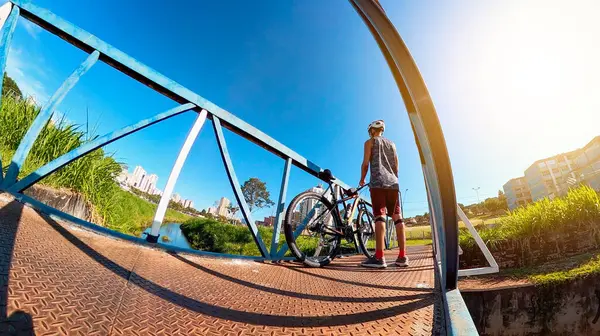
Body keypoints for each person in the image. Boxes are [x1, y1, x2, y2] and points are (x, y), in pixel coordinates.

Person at [359, 120, 408, 268]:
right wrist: (393, 179)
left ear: (372, 130)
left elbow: (366, 163)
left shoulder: (370, 142)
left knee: (379, 216)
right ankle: (402, 257)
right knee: (398, 219)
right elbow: (397, 166)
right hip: (393, 183)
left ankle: (379, 257)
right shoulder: (392, 144)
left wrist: (362, 179)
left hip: (378, 182)